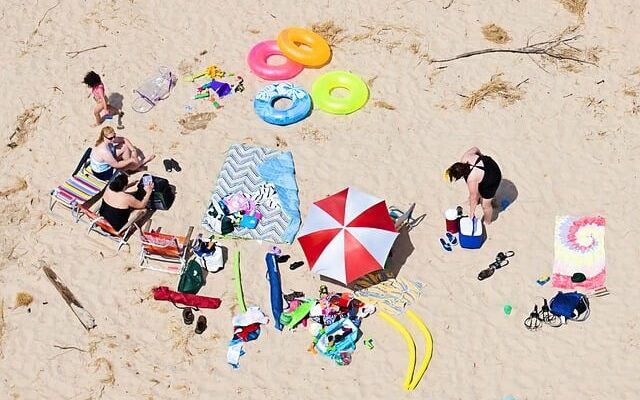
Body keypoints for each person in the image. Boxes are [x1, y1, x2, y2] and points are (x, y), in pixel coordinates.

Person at [445, 146, 502, 224]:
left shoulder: (471, 179)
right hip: (489, 163)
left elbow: (473, 198)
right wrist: (480, 156)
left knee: (485, 205)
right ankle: (481, 190)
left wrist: (471, 214)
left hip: (493, 177)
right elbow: (476, 149)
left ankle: (487, 221)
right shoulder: (465, 157)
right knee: (477, 188)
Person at [89, 126, 155, 180]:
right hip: (103, 173)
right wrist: (131, 160)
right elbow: (116, 165)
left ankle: (132, 166)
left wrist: (133, 150)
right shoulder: (104, 151)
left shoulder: (108, 140)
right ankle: (140, 163)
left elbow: (124, 139)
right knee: (131, 162)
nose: (113, 139)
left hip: (106, 162)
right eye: (110, 138)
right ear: (104, 137)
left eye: (114, 136)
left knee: (125, 147)